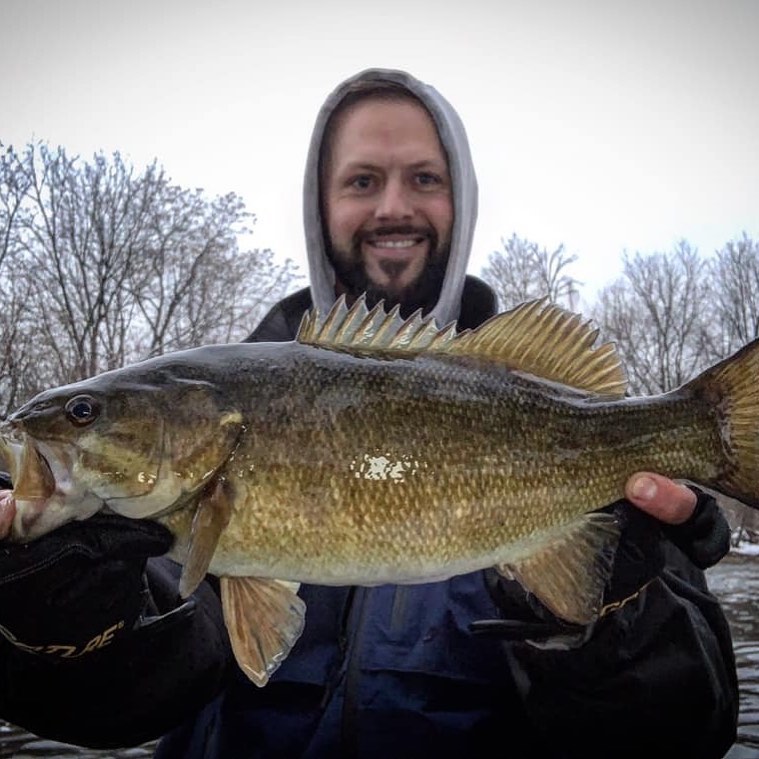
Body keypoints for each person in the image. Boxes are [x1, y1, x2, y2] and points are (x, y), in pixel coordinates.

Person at [0, 68, 738, 758]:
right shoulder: (160, 505)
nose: (393, 206)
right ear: (320, 204)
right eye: (361, 180)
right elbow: (128, 699)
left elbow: (684, 731)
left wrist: (621, 611)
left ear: (461, 201)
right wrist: (54, 621)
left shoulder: (553, 406)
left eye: (424, 178)